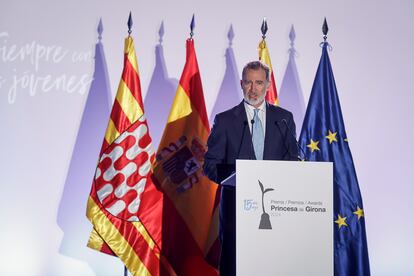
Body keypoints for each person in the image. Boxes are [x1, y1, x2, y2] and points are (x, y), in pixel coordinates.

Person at [203, 61, 298, 275]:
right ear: (241, 84)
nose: (253, 89)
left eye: (258, 83)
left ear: (268, 85)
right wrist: (239, 176)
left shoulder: (283, 119)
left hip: (277, 209)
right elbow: (210, 165)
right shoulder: (225, 120)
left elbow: (293, 160)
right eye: (248, 83)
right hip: (237, 210)